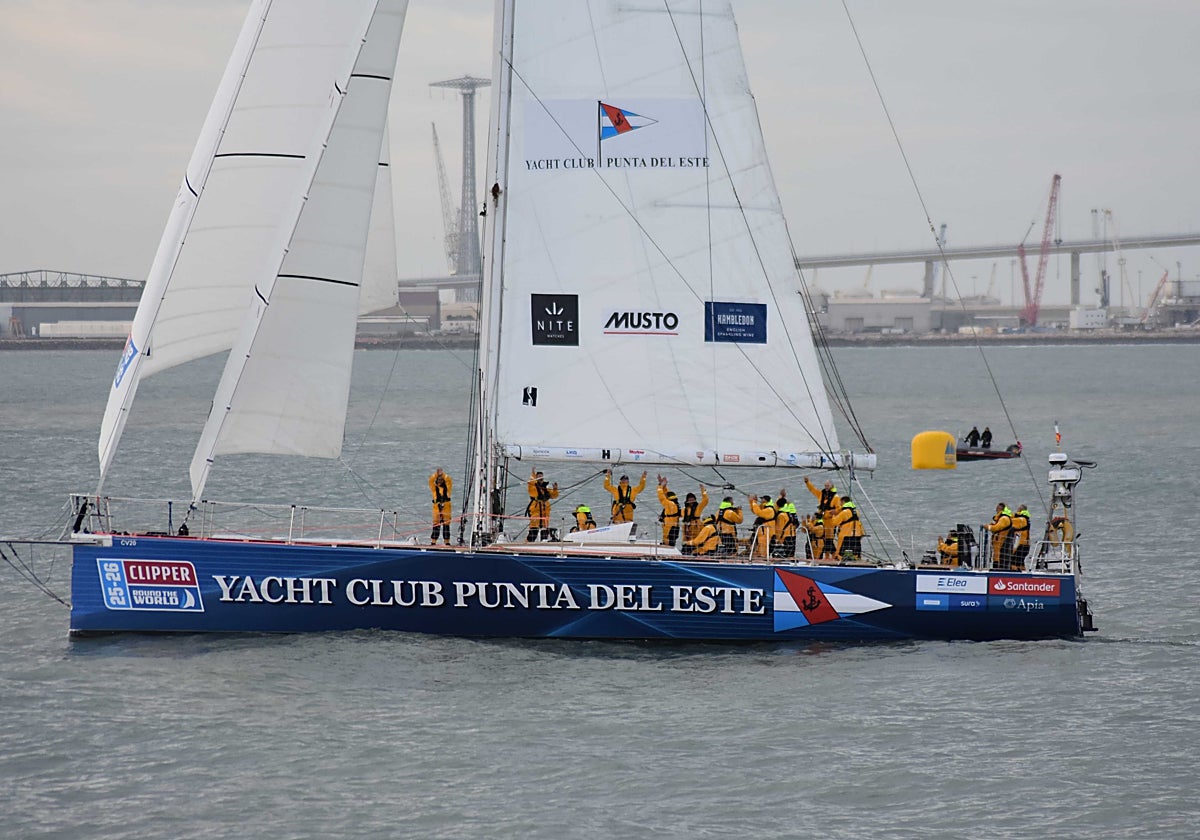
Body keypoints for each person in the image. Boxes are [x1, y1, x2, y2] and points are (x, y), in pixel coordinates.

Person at [526, 469, 559, 542]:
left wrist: (555, 489)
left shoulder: (545, 488)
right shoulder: (533, 487)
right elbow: (531, 485)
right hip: (536, 510)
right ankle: (527, 544)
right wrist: (533, 474)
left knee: (545, 531)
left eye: (542, 477)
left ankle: (543, 544)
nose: (541, 478)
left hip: (545, 511)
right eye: (539, 477)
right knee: (533, 531)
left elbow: (554, 496)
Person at [678, 486, 709, 554]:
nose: (691, 501)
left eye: (692, 499)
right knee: (685, 548)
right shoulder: (683, 510)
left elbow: (705, 501)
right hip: (687, 533)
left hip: (697, 530)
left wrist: (703, 490)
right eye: (690, 499)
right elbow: (675, 515)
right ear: (687, 500)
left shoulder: (698, 508)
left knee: (698, 547)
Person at [748, 493, 778, 558]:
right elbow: (754, 510)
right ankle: (759, 556)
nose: (761, 500)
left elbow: (758, 512)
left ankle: (763, 558)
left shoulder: (769, 510)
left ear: (766, 500)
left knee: (763, 545)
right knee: (760, 544)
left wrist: (754, 503)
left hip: (766, 532)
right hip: (763, 531)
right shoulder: (764, 507)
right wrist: (752, 501)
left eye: (762, 499)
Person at [428, 467, 453, 545]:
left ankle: (447, 541)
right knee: (436, 524)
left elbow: (449, 480)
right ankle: (433, 541)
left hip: (446, 507)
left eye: (441, 480)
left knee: (446, 524)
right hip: (437, 507)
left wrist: (443, 474)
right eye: (438, 480)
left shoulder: (447, 488)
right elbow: (430, 481)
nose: (440, 481)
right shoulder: (434, 488)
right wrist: (436, 474)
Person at [985, 502, 1013, 568]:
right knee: (996, 560)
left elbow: (996, 528)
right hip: (997, 546)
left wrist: (987, 527)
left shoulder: (1004, 518)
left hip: (1002, 546)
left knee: (1000, 563)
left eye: (997, 508)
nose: (996, 510)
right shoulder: (1000, 519)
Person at [656, 476, 681, 547]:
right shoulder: (673, 503)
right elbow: (666, 494)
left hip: (670, 528)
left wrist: (660, 486)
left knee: (668, 541)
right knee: (667, 540)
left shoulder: (670, 504)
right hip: (670, 526)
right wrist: (663, 485)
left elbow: (661, 497)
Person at [1009, 504, 1032, 569]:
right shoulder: (1025, 518)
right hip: (1026, 543)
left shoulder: (1021, 519)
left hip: (1021, 543)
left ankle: (1015, 575)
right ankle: (1023, 573)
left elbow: (1010, 522)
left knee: (1013, 561)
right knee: (1020, 562)